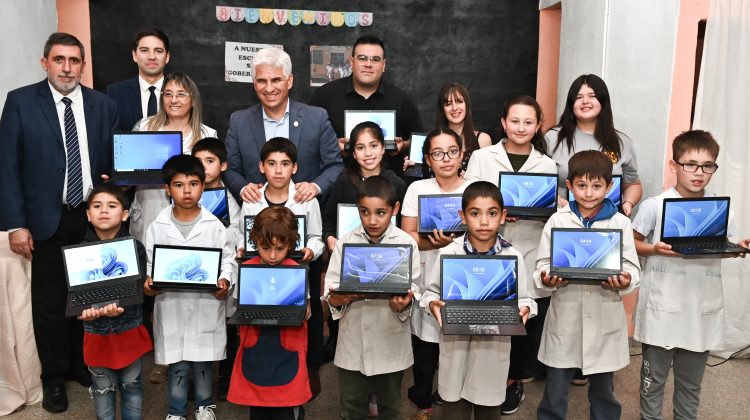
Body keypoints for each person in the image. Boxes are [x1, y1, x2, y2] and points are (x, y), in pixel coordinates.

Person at [0, 32, 119, 413]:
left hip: (89, 217)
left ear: (83, 64)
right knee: (50, 304)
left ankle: (80, 363)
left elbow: (112, 163)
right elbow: (8, 167)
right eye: (59, 60)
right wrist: (16, 223)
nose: (67, 68)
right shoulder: (20, 103)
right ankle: (53, 377)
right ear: (45, 63)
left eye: (74, 60)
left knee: (86, 296)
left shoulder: (103, 105)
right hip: (44, 220)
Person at [631, 130, 750, 420]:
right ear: (674, 165)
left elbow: (721, 247)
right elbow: (631, 243)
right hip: (661, 308)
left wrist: (737, 248)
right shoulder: (654, 206)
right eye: (690, 164)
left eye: (707, 166)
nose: (699, 173)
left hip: (700, 310)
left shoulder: (722, 209)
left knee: (690, 384)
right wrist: (654, 250)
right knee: (652, 382)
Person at [463, 95, 557, 413]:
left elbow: (552, 212)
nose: (520, 127)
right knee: (483, 317)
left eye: (528, 121)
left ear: (537, 125)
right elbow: (471, 199)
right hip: (487, 248)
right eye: (514, 120)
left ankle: (511, 383)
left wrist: (543, 210)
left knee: (523, 320)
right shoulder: (482, 157)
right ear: (504, 123)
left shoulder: (546, 165)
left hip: (529, 247)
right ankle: (477, 382)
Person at [534, 150, 640, 420]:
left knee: (604, 391)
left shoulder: (620, 223)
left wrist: (625, 279)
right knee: (555, 389)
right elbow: (542, 265)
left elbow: (632, 268)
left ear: (609, 186)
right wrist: (546, 277)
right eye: (581, 185)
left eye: (597, 186)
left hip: (604, 318)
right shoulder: (557, 221)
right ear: (569, 186)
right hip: (565, 318)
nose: (589, 193)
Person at [421, 181, 537, 420]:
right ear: (462, 216)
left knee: (489, 410)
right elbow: (430, 293)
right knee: (453, 410)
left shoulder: (512, 256)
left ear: (503, 216)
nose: (484, 221)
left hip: (493, 352)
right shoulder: (448, 253)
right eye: (475, 213)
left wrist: (525, 309)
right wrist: (434, 305)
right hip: (456, 348)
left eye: (492, 213)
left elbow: (526, 298)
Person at [142, 155, 236, 420]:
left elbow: (227, 259)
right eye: (179, 184)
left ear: (203, 187)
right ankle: (176, 412)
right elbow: (150, 263)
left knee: (204, 363)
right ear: (167, 188)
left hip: (205, 305)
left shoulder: (215, 226)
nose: (187, 191)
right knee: (178, 365)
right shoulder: (157, 226)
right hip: (170, 305)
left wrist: (224, 281)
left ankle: (205, 407)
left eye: (193, 184)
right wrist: (149, 283)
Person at [322, 176, 419, 419]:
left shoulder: (406, 243)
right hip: (352, 342)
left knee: (391, 406)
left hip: (390, 340)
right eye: (365, 212)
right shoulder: (345, 244)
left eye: (380, 212)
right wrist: (339, 299)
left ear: (395, 210)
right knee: (352, 407)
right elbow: (330, 293)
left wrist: (403, 304)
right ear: (358, 209)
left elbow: (414, 288)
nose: (372, 220)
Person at [236, 137, 326, 398]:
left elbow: (317, 237)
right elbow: (244, 235)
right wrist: (242, 249)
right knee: (261, 325)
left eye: (285, 164)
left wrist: (310, 251)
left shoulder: (306, 199)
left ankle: (305, 374)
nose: (278, 170)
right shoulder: (252, 199)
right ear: (261, 167)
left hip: (296, 270)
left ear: (294, 168)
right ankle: (262, 379)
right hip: (260, 272)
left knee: (298, 324)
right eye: (272, 164)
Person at [320, 122, 407, 374]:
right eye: (360, 147)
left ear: (383, 148)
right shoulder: (343, 182)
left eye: (373, 146)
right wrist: (331, 239)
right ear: (352, 152)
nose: (368, 153)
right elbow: (328, 219)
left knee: (383, 321)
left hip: (387, 261)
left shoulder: (396, 184)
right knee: (350, 315)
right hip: (351, 259)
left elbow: (401, 223)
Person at [400, 127, 474, 419]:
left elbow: (488, 230)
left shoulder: (475, 187)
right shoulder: (417, 189)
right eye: (438, 154)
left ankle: (456, 395)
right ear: (427, 160)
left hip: (467, 275)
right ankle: (422, 395)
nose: (446, 159)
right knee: (426, 343)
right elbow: (407, 235)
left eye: (452, 152)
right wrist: (431, 241)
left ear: (462, 155)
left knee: (461, 339)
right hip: (427, 268)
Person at [224, 47, 342, 206]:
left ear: (290, 80)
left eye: (276, 80)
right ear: (254, 83)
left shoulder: (317, 118)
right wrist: (243, 188)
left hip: (305, 214)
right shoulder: (239, 121)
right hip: (257, 217)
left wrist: (315, 187)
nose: (269, 88)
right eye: (261, 81)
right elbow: (230, 169)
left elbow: (335, 166)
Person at [77, 184, 152, 420]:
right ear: (88, 214)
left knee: (131, 386)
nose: (104, 211)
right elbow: (75, 296)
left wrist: (121, 306)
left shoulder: (135, 248)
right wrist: (84, 312)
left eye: (112, 205)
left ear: (125, 214)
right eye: (97, 206)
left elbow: (137, 290)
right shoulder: (78, 253)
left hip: (129, 330)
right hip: (96, 334)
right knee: (102, 389)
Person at [228, 206, 311, 420]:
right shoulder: (247, 268)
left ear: (291, 244)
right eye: (265, 248)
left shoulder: (296, 270)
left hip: (287, 350)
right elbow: (238, 305)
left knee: (286, 409)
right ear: (254, 240)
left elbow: (307, 312)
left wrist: (302, 309)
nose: (272, 256)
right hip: (255, 351)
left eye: (280, 248)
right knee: (258, 410)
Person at [309, 34, 424, 177]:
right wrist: (333, 146)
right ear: (351, 62)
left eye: (375, 59)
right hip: (337, 185)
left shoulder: (401, 100)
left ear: (383, 65)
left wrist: (403, 146)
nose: (368, 64)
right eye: (362, 58)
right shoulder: (325, 95)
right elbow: (309, 138)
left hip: (388, 188)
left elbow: (420, 141)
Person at [545, 74, 642, 217]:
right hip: (562, 219)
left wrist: (627, 203)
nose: (585, 101)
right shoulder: (552, 138)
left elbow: (633, 184)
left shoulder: (621, 142)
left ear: (603, 101)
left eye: (592, 96)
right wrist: (561, 203)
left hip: (607, 221)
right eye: (578, 97)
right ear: (571, 103)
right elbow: (539, 181)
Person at [404, 83, 491, 177]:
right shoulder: (431, 141)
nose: (454, 108)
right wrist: (414, 169)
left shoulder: (483, 140)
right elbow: (426, 179)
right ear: (442, 109)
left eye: (459, 101)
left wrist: (466, 178)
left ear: (467, 105)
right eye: (448, 104)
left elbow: (489, 180)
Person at [106, 28, 170, 131]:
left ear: (167, 57)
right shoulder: (116, 92)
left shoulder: (183, 92)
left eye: (158, 51)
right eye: (144, 50)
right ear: (134, 55)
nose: (152, 57)